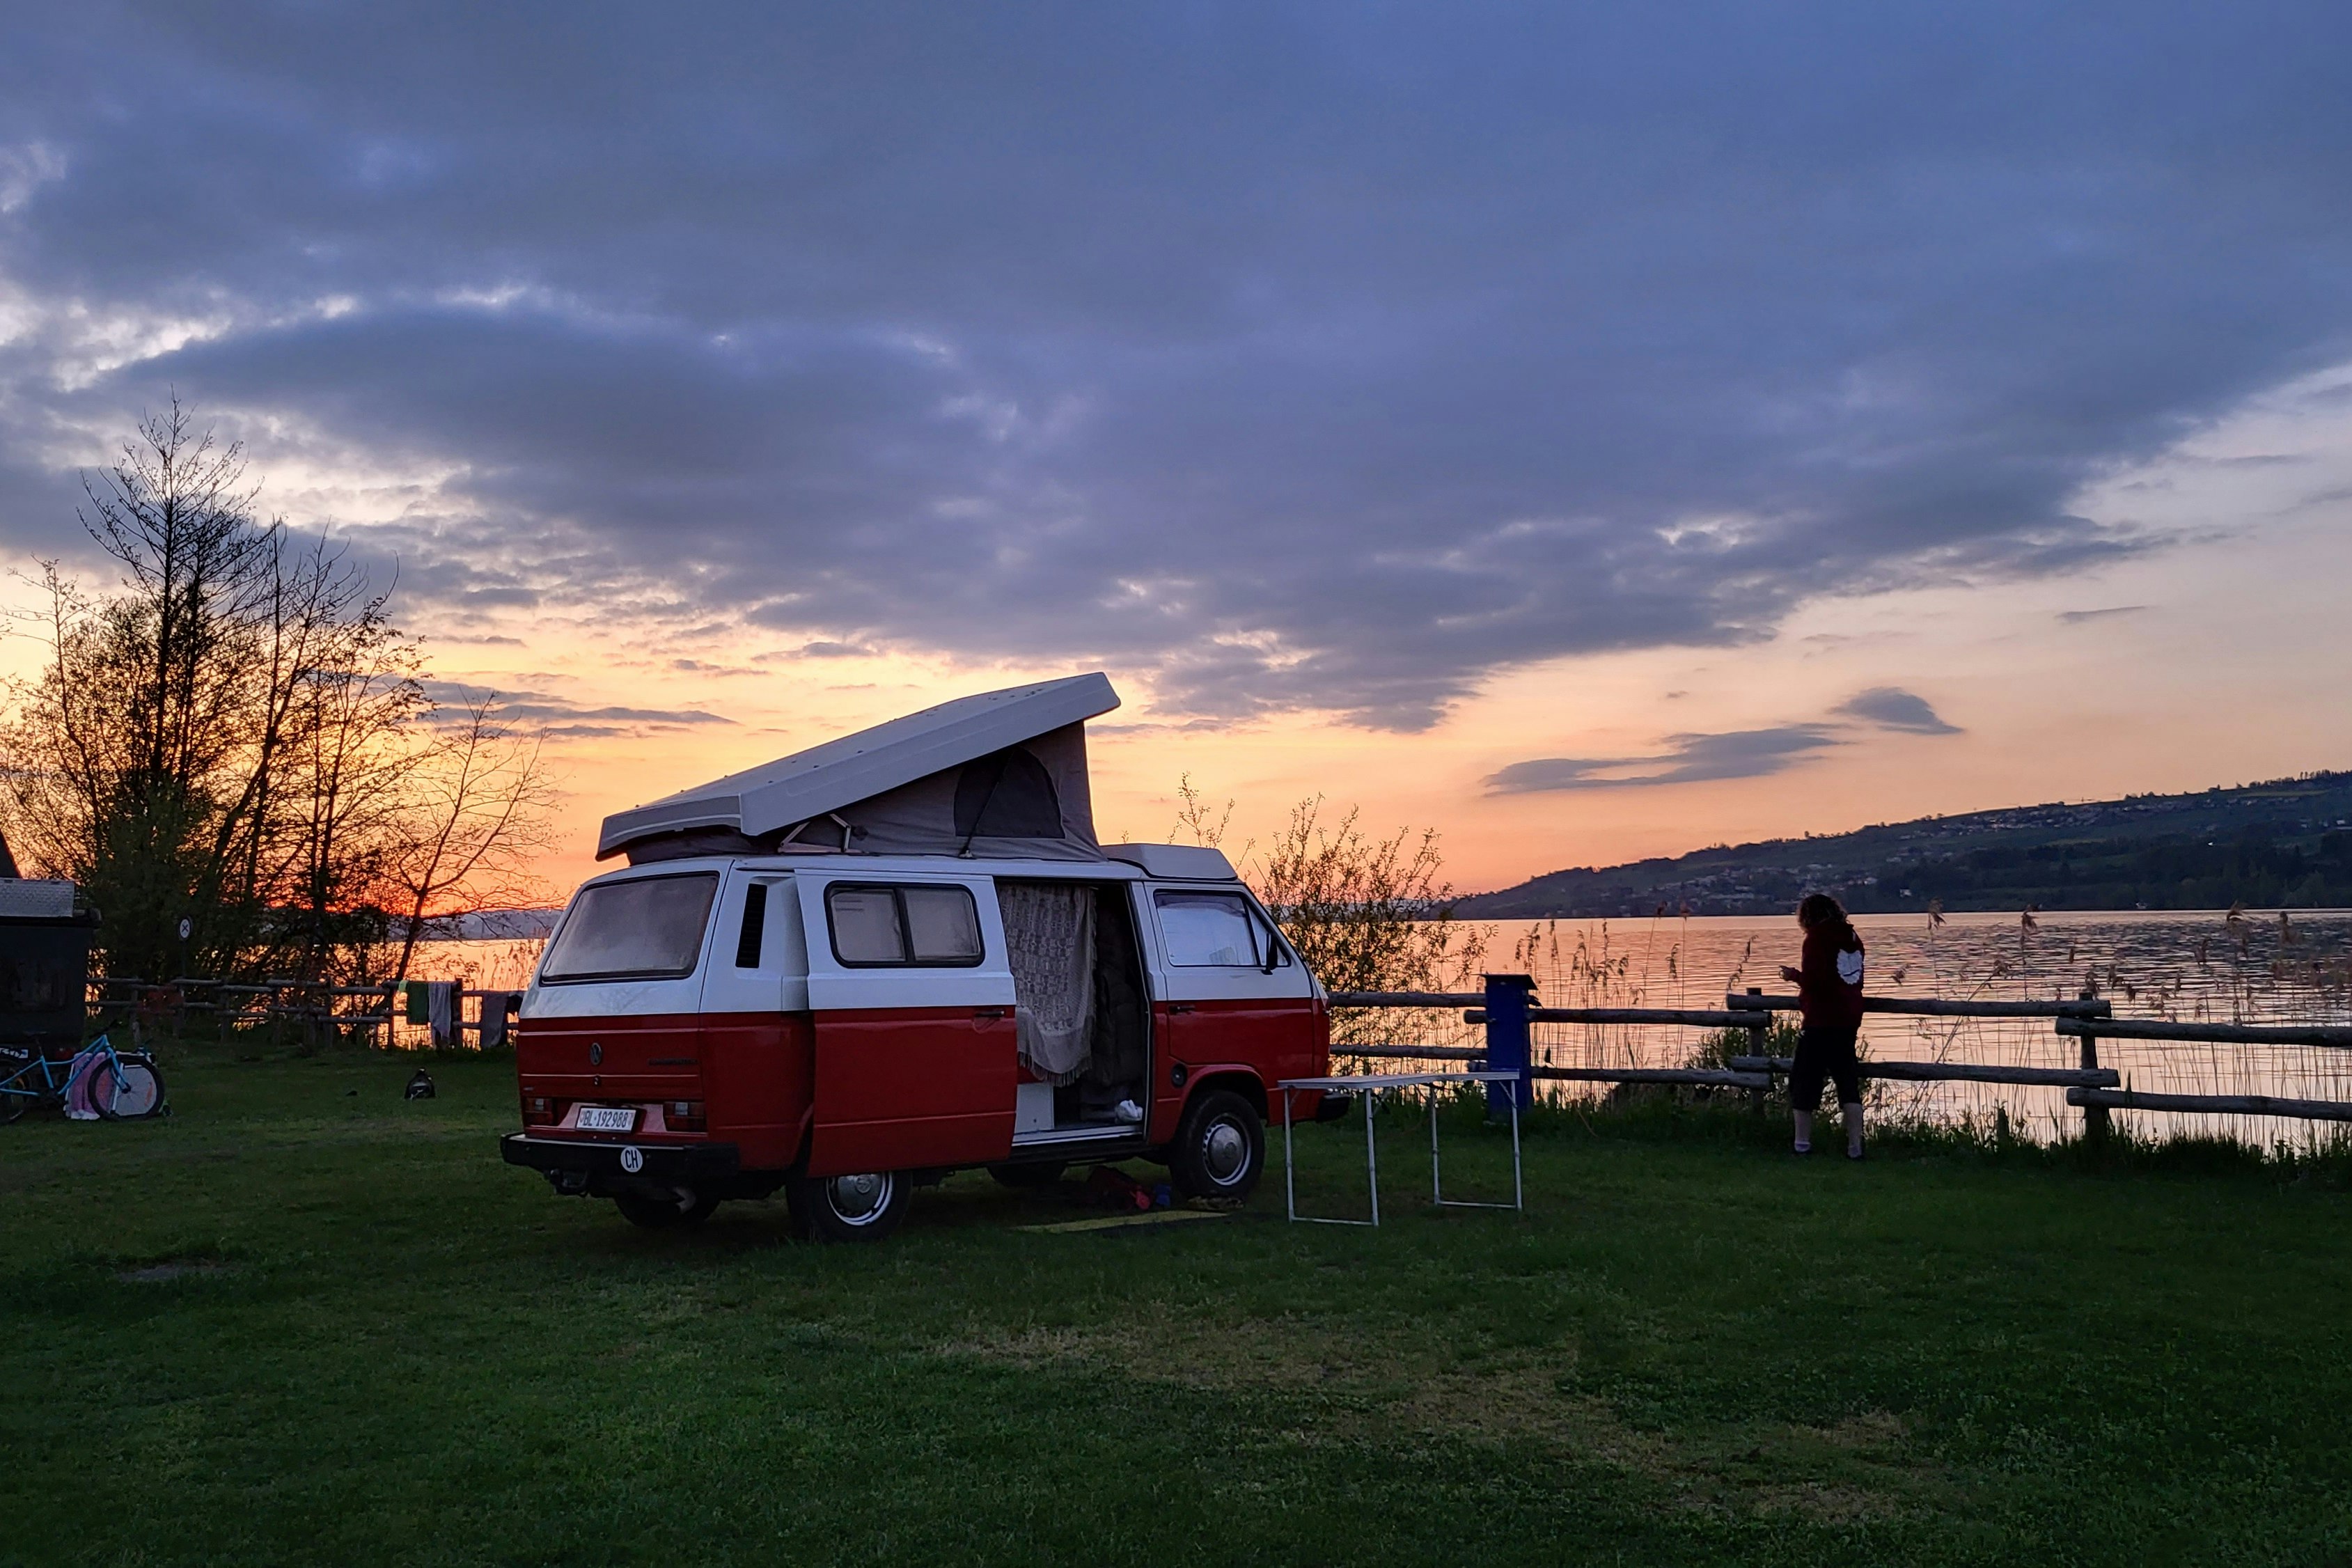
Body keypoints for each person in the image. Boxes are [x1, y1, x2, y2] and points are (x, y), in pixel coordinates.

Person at [1778, 892, 1866, 1159]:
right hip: (1848, 1020)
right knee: (1848, 1083)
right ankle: (1856, 1147)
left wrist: (1794, 976)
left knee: (1803, 1082)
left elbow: (1817, 982)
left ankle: (1802, 1144)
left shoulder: (1816, 939)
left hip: (1820, 1020)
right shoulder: (1853, 939)